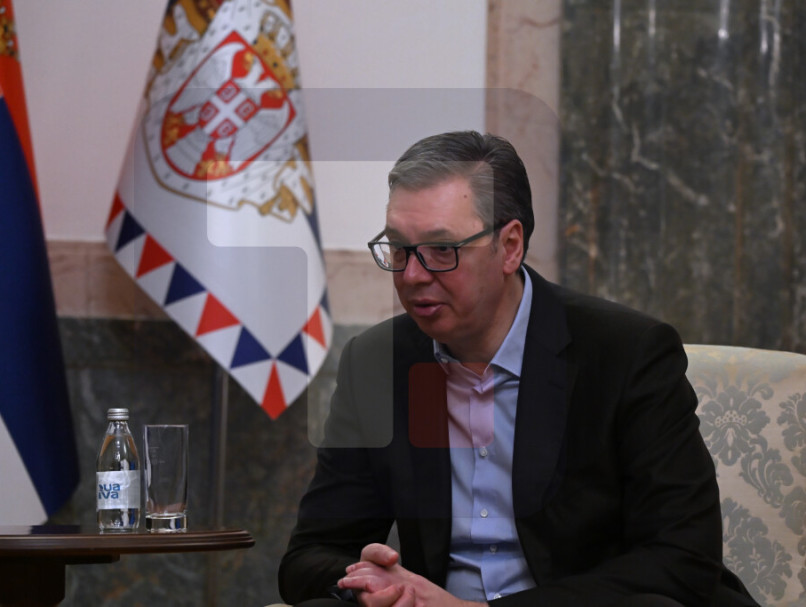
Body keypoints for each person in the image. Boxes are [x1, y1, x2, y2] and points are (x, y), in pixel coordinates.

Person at [278, 131, 757, 606]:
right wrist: (374, 583)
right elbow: (310, 556)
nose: (412, 275)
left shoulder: (626, 353)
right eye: (399, 248)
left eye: (442, 249)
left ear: (509, 247)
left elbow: (682, 558)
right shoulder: (376, 363)